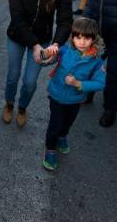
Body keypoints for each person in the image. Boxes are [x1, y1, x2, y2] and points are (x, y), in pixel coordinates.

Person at [3, 0, 73, 128]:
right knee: (13, 75)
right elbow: (17, 19)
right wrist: (34, 45)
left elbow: (65, 20)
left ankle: (23, 107)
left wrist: (56, 44)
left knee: (30, 82)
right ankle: (9, 104)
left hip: (43, 39)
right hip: (17, 36)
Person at [42, 17, 105, 170]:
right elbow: (48, 59)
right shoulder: (65, 50)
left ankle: (62, 137)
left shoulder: (96, 60)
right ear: (73, 37)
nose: (82, 42)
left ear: (93, 39)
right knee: (55, 125)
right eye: (78, 37)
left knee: (68, 122)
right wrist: (47, 53)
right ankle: (50, 150)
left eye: (87, 38)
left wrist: (79, 84)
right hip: (57, 96)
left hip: (75, 100)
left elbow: (101, 82)